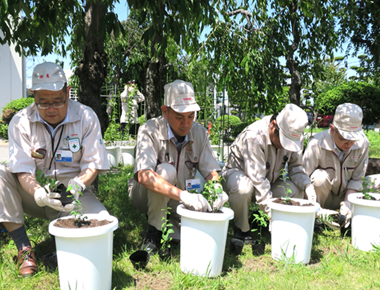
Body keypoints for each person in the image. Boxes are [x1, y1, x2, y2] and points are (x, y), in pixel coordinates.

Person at [0, 62, 110, 277]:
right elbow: (22, 170)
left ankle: (62, 235)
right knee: (1, 173)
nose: (50, 109)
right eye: (43, 102)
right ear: (33, 95)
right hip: (34, 195)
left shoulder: (86, 117)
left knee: (100, 227)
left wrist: (78, 184)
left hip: (75, 193)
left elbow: (93, 163)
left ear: (68, 92)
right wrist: (38, 193)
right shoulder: (20, 122)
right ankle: (24, 249)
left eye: (58, 101)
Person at [128, 79, 228, 255]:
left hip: (178, 196)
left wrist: (216, 187)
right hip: (144, 195)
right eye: (180, 117)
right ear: (165, 111)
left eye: (191, 116)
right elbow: (144, 175)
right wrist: (183, 195)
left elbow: (211, 170)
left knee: (192, 233)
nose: (186, 124)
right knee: (166, 171)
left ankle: (168, 227)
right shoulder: (149, 130)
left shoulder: (199, 133)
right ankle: (153, 232)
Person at [221, 104, 316, 244]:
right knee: (243, 188)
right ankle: (242, 228)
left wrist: (308, 185)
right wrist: (272, 216)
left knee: (296, 190)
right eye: (283, 141)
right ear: (273, 125)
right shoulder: (254, 136)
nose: (285, 147)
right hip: (239, 177)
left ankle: (286, 223)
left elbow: (296, 167)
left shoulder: (296, 136)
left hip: (270, 181)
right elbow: (258, 179)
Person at [303, 103, 377, 230]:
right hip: (321, 198)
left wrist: (347, 203)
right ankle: (317, 217)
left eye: (353, 139)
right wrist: (313, 205)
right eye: (344, 138)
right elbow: (303, 175)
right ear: (332, 130)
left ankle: (352, 214)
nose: (349, 144)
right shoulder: (317, 142)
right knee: (319, 177)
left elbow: (357, 178)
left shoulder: (363, 143)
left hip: (348, 195)